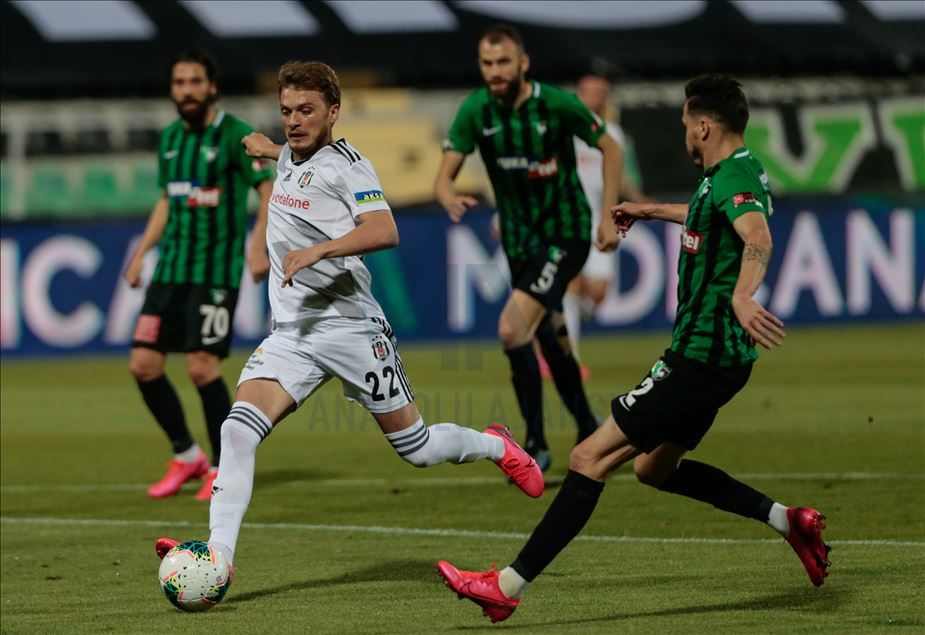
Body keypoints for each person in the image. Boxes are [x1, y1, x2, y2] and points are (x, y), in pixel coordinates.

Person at [436, 74, 831, 623]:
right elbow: (709, 213)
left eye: (686, 125)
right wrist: (650, 211)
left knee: (587, 458)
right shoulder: (736, 171)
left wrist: (743, 295)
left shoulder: (733, 176)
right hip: (723, 362)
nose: (684, 135)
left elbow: (757, 236)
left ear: (704, 126)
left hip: (698, 357)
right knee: (654, 470)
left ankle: (506, 586)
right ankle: (790, 521)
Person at [154, 60, 544, 571]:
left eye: (307, 110)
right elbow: (292, 163)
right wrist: (269, 149)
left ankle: (494, 445)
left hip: (351, 330)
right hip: (293, 334)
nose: (294, 121)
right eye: (286, 111)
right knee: (236, 431)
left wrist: (320, 250)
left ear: (333, 112)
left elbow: (384, 230)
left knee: (418, 448)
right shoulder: (291, 154)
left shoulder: (349, 165)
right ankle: (217, 558)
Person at [434, 24, 624, 472]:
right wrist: (447, 195)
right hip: (520, 245)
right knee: (551, 337)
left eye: (503, 61)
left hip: (565, 235)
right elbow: (443, 176)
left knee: (511, 329)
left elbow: (610, 148)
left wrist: (606, 215)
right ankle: (587, 423)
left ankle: (534, 444)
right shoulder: (476, 110)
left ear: (523, 63)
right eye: (487, 63)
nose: (495, 71)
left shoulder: (556, 104)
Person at [124, 50, 274, 501]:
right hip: (170, 271)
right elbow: (167, 200)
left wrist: (257, 247)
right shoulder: (170, 138)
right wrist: (141, 253)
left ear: (212, 86)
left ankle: (223, 470)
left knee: (201, 367)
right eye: (179, 82)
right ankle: (187, 456)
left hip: (215, 273)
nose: (186, 90)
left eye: (194, 81)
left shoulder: (234, 134)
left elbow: (267, 191)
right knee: (144, 365)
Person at [563, 74, 649, 377]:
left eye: (600, 92)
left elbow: (620, 176)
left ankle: (560, 321)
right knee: (572, 282)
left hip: (601, 218)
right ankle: (569, 358)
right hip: (570, 217)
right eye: (589, 92)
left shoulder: (613, 134)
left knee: (598, 291)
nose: (594, 98)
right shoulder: (567, 129)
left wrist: (641, 203)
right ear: (579, 94)